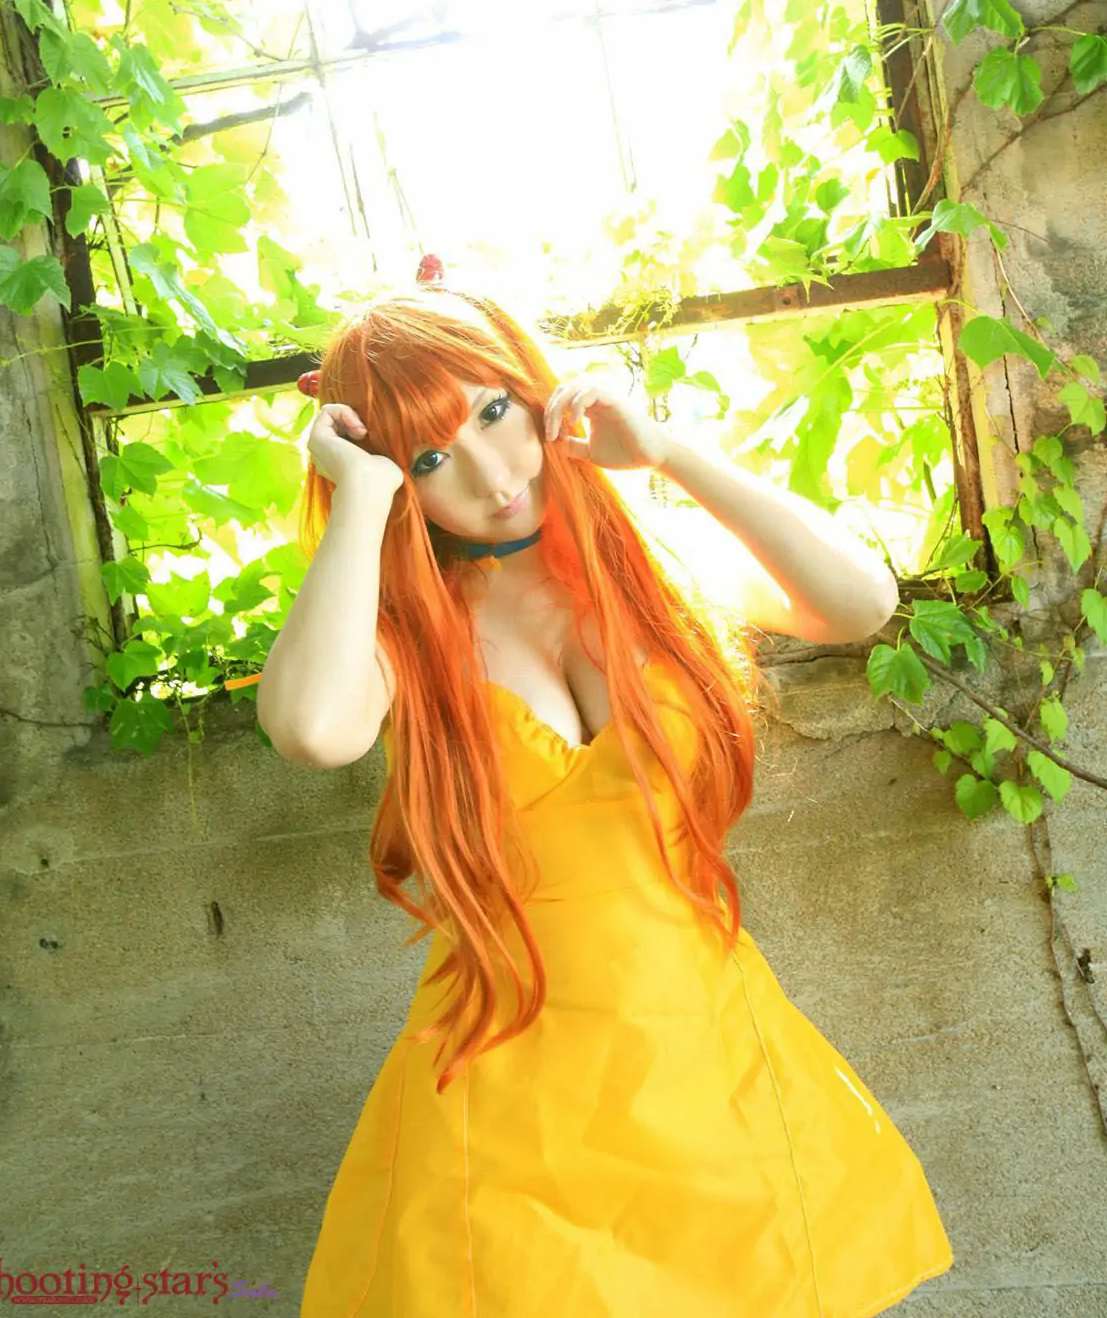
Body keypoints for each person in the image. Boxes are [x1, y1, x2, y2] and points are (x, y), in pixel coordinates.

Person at [245, 276, 954, 1317]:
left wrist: (664, 451)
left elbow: (860, 602)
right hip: (505, 1089)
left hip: (706, 1063)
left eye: (495, 410)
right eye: (430, 459)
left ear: (536, 388)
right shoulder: (409, 634)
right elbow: (312, 730)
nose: (491, 475)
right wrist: (359, 496)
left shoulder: (655, 567)